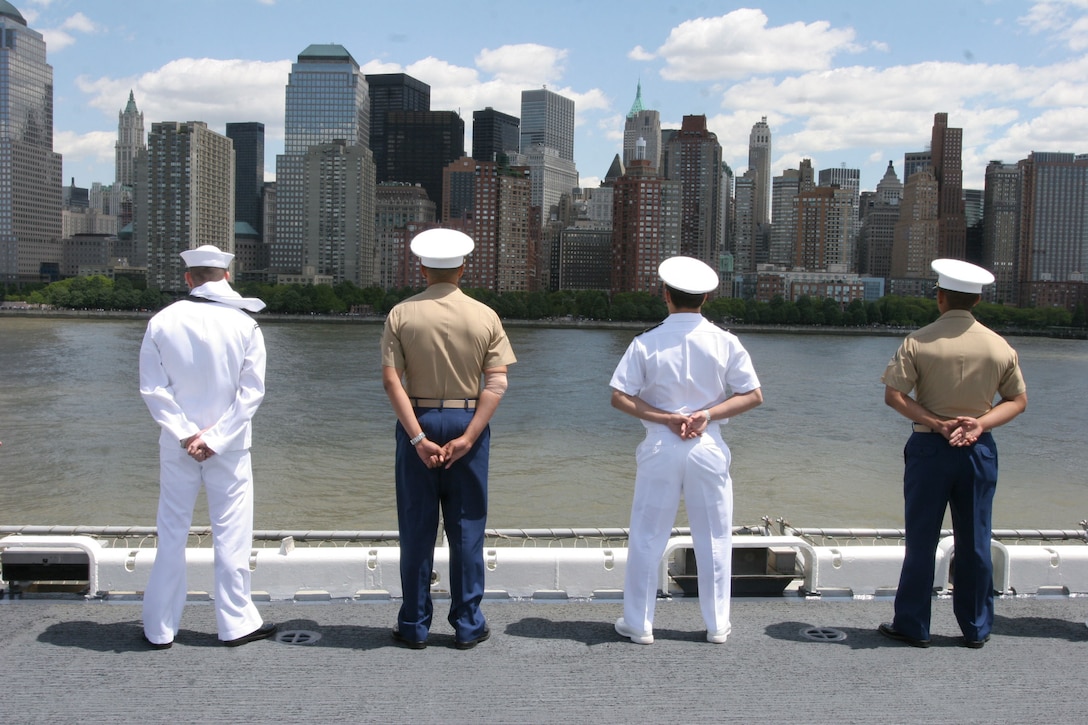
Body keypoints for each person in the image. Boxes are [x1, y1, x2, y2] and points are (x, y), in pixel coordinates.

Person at [609, 256, 763, 645]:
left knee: (647, 535)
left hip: (661, 444)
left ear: (666, 295)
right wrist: (706, 414)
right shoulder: (726, 341)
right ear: (706, 297)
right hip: (707, 444)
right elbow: (753, 395)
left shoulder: (646, 342)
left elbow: (620, 398)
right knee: (714, 537)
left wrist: (665, 417)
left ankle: (639, 624)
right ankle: (717, 625)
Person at [879, 258, 1027, 649]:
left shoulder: (918, 341)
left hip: (930, 445)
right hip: (978, 449)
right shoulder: (1000, 346)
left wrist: (938, 422)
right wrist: (980, 424)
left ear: (940, 297)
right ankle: (976, 627)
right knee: (976, 539)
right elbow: (1018, 401)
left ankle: (912, 625)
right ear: (977, 300)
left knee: (922, 539)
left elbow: (894, 396)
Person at [381, 228, 517, 650]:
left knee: (417, 528)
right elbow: (496, 383)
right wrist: (470, 436)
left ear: (422, 268)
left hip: (417, 420)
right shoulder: (485, 315)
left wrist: (418, 437)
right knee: (467, 526)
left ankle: (415, 625)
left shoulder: (400, 314)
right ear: (463, 268)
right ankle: (468, 624)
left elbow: (391, 382)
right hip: (466, 419)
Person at [139, 245, 276, 648]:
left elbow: (152, 389)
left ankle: (159, 627)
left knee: (171, 532)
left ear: (188, 278)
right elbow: (251, 394)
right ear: (227, 276)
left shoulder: (161, 321)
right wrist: (215, 438)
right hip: (229, 447)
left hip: (177, 445)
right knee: (232, 533)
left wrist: (186, 433)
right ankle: (235, 623)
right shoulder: (246, 326)